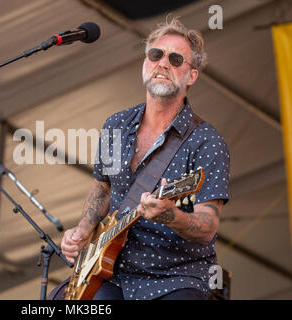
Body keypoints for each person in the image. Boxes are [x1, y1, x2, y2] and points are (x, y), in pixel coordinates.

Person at [61, 17, 230, 300]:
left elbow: (207, 225)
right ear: (145, 63)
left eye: (176, 60)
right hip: (112, 273)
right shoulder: (116, 124)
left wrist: (171, 215)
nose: (163, 63)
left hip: (175, 277)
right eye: (156, 55)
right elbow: (103, 188)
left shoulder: (207, 142)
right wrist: (82, 231)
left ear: (192, 76)